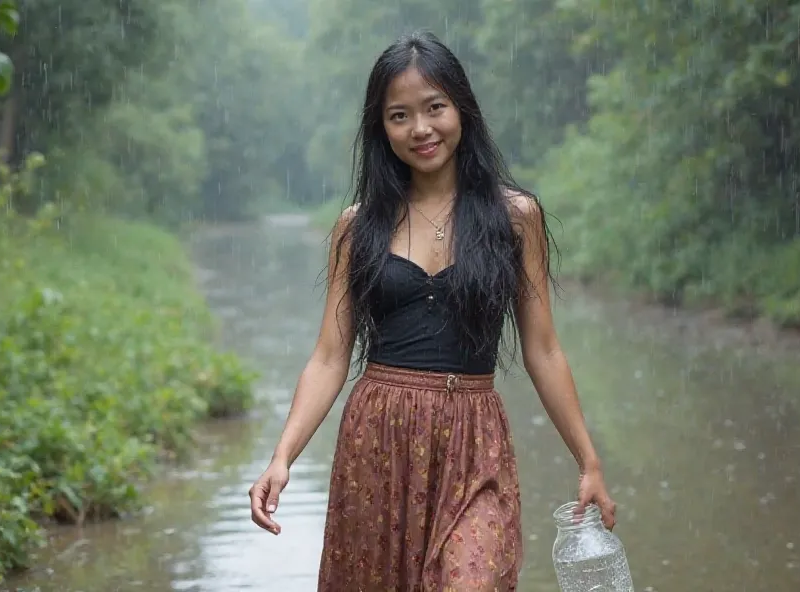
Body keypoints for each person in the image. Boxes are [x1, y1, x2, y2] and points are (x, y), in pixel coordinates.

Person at [248, 30, 616, 591]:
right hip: (379, 439)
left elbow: (543, 348)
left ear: (461, 109)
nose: (421, 129)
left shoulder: (515, 218)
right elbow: (328, 358)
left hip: (474, 442)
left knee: (472, 578)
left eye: (435, 108)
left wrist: (587, 460)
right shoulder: (357, 227)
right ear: (382, 129)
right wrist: (283, 457)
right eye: (400, 116)